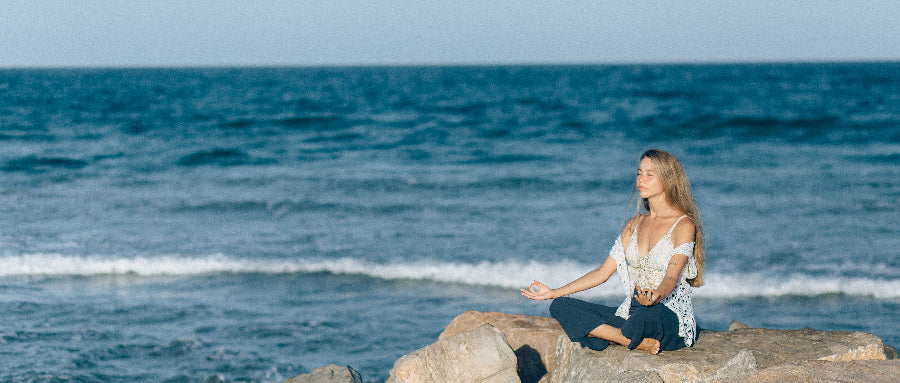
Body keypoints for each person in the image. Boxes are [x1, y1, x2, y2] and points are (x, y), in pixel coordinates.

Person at [521, 149, 705, 354]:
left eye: (649, 174)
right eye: (639, 173)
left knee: (640, 321)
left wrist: (655, 296)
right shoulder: (633, 224)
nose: (641, 179)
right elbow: (602, 272)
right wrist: (555, 292)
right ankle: (628, 340)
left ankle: (611, 334)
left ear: (668, 180)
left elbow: (671, 277)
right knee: (560, 306)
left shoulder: (683, 225)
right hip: (633, 310)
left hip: (666, 311)